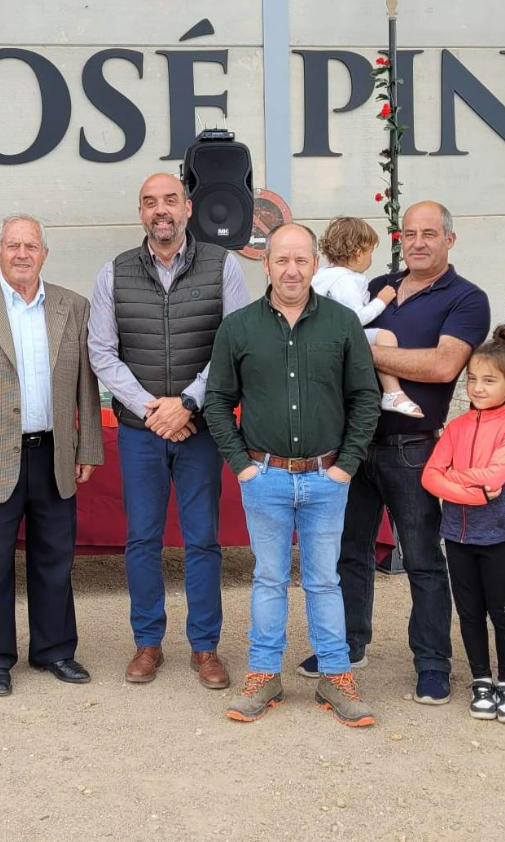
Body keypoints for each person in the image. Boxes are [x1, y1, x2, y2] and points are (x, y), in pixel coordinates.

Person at [205, 223, 381, 727]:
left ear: (315, 264)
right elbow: (217, 401)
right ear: (265, 264)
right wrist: (241, 466)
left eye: (301, 260)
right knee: (268, 579)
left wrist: (346, 466)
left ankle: (336, 677)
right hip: (266, 477)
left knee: (325, 581)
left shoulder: (343, 323)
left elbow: (365, 398)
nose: (291, 269)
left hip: (328, 478)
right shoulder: (238, 328)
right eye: (282, 259)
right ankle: (264, 676)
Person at [319, 201, 489, 707]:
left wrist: (355, 345)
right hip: (353, 442)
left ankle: (432, 663)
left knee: (421, 560)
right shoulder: (373, 287)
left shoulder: (466, 298)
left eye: (429, 233)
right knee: (349, 553)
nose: (417, 242)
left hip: (411, 448)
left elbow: (440, 366)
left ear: (449, 240)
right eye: (409, 233)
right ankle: (350, 646)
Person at [87, 172, 250, 690]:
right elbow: (102, 352)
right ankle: (148, 643)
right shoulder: (113, 273)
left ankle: (206, 648)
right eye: (150, 202)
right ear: (141, 213)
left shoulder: (223, 266)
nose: (161, 210)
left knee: (202, 540)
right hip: (140, 431)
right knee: (142, 539)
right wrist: (153, 409)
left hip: (200, 429)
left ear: (188, 207)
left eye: (170, 201)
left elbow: (234, 346)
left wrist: (187, 404)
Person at [0, 214, 105, 697]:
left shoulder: (73, 307)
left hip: (54, 454)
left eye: (31, 245)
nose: (22, 253)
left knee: (55, 559)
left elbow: (86, 386)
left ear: (44, 253)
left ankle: (55, 650)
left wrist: (87, 443)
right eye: (13, 245)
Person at [421, 326, 505, 724]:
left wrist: (455, 481)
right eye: (472, 380)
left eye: (489, 381)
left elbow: (496, 478)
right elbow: (430, 476)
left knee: (502, 610)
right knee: (468, 612)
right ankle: (481, 680)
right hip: (458, 535)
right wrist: (469, 488)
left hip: (499, 537)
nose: (478, 388)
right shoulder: (455, 427)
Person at [312, 216, 423, 417]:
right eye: (370, 252)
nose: (371, 258)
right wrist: (381, 300)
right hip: (337, 338)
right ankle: (392, 392)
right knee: (385, 337)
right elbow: (355, 318)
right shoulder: (344, 280)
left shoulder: (323, 275)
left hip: (322, 338)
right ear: (358, 254)